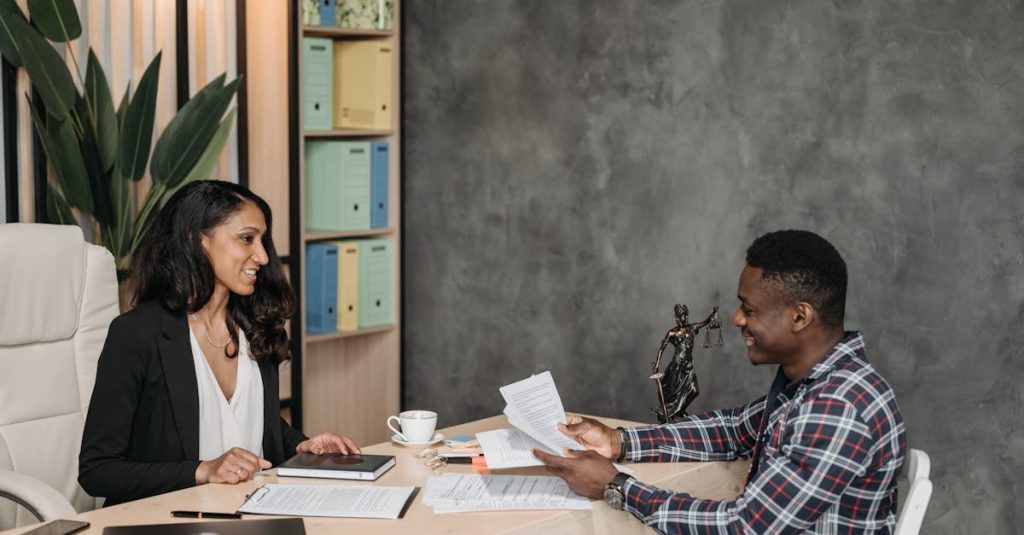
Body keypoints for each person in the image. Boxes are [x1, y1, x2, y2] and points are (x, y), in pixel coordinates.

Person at [534, 230, 906, 533]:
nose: (737, 319)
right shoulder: (818, 386)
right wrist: (618, 441)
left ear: (799, 317)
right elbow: (731, 431)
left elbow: (743, 528)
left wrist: (616, 487)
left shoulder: (837, 408)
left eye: (750, 309)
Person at [79, 180, 359, 505]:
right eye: (247, 239)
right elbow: (97, 470)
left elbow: (252, 426)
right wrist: (202, 471)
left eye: (263, 241)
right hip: (169, 520)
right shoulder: (137, 334)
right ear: (197, 240)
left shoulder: (256, 325)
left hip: (252, 512)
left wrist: (301, 446)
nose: (263, 256)